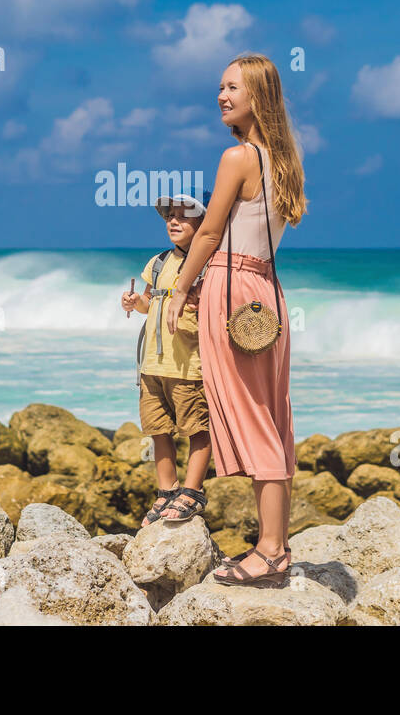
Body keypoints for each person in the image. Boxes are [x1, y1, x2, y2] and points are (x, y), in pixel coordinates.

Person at [164, 52, 306, 587]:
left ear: (257, 97)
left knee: (251, 418)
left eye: (231, 88)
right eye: (220, 87)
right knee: (271, 416)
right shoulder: (284, 159)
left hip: (230, 289)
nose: (221, 96)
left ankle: (270, 552)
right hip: (266, 292)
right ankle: (277, 544)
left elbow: (206, 233)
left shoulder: (237, 157)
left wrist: (181, 289)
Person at [121, 191, 213, 526]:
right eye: (169, 215)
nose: (173, 220)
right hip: (152, 364)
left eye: (183, 215)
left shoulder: (209, 263)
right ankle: (166, 491)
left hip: (189, 364)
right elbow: (149, 303)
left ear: (204, 222)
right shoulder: (158, 262)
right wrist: (135, 302)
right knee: (158, 430)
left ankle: (192, 491)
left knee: (197, 429)